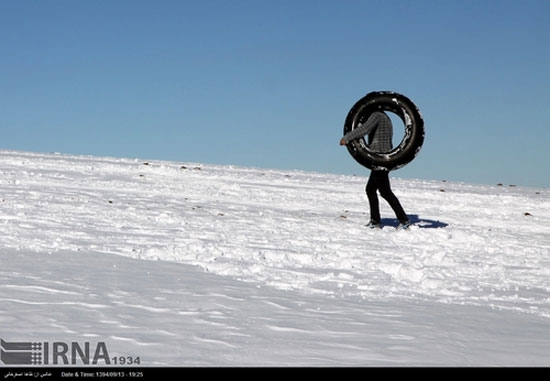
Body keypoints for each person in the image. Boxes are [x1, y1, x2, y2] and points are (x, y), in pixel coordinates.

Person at [340, 111, 411, 230]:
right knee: (370, 189)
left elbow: (365, 129)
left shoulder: (376, 115)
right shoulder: (386, 117)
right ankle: (375, 220)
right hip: (383, 157)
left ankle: (404, 220)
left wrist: (347, 138)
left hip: (379, 158)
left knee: (385, 192)